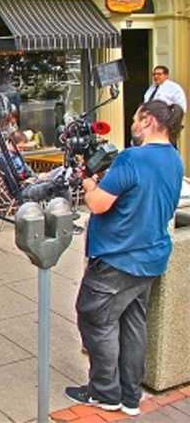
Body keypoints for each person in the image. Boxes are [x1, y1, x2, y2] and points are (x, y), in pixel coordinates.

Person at [64, 101, 184, 417]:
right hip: (151, 257)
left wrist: (89, 181)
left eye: (135, 118)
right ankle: (130, 396)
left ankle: (105, 392)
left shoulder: (132, 157)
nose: (132, 123)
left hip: (117, 257)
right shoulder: (174, 158)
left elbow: (99, 203)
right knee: (133, 323)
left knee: (95, 319)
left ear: (148, 120)